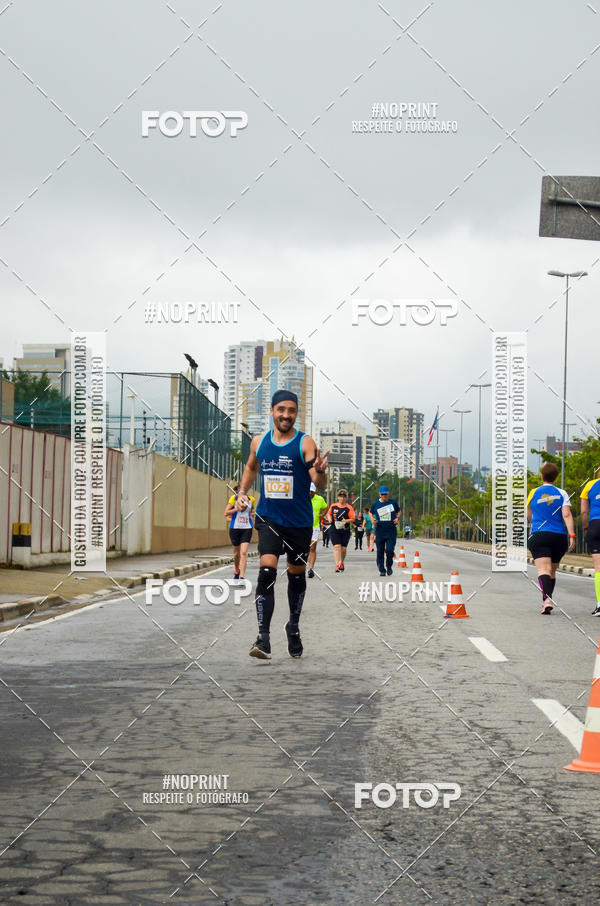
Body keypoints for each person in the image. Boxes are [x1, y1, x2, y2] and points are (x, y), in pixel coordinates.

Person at [236, 389, 328, 659]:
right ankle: (262, 638)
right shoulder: (259, 442)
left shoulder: (305, 443)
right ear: (272, 411)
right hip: (268, 518)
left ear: (296, 413)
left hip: (298, 522)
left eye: (292, 411)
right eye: (281, 410)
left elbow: (319, 483)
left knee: (296, 575)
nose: (286, 415)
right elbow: (252, 468)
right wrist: (243, 491)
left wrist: (321, 472)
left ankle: (293, 626)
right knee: (266, 572)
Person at [527, 462, 575, 614]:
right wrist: (572, 535)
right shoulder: (562, 493)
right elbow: (566, 514)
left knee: (543, 570)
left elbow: (529, 515)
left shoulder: (533, 492)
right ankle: (548, 599)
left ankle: (546, 599)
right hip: (558, 537)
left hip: (539, 535)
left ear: (542, 476)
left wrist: (534, 522)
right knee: (552, 572)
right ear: (556, 477)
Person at [224, 484, 255, 580]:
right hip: (235, 528)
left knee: (244, 552)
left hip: (247, 528)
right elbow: (226, 513)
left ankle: (242, 577)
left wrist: (253, 513)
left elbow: (252, 511)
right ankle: (237, 571)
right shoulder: (234, 498)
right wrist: (236, 509)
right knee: (236, 554)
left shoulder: (251, 500)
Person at [580, 466, 600, 616]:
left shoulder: (589, 485)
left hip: (595, 525)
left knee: (598, 568)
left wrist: (586, 526)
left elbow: (583, 511)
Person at [370, 486, 400, 576]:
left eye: (386, 494)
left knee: (390, 550)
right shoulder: (376, 504)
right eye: (382, 494)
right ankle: (382, 569)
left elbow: (399, 511)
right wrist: (372, 519)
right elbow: (370, 512)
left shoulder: (393, 503)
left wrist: (397, 518)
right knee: (380, 550)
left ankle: (389, 566)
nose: (384, 496)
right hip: (380, 531)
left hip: (391, 531)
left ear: (388, 494)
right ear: (379, 494)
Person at [326, 489, 355, 572]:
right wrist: (329, 519)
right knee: (336, 547)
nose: (342, 498)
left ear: (346, 498)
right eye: (340, 497)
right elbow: (328, 513)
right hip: (334, 529)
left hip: (345, 530)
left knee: (343, 549)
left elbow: (352, 519)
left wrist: (346, 521)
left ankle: (341, 562)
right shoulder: (333, 506)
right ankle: (337, 565)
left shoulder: (349, 508)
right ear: (338, 497)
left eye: (343, 497)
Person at [308, 482, 328, 578]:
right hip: (303, 527)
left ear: (314, 492)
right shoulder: (302, 498)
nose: (310, 493)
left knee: (312, 548)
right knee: (303, 548)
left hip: (315, 527)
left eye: (312, 492)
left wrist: (322, 515)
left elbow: (325, 507)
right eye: (309, 491)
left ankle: (311, 569)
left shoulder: (319, 499)